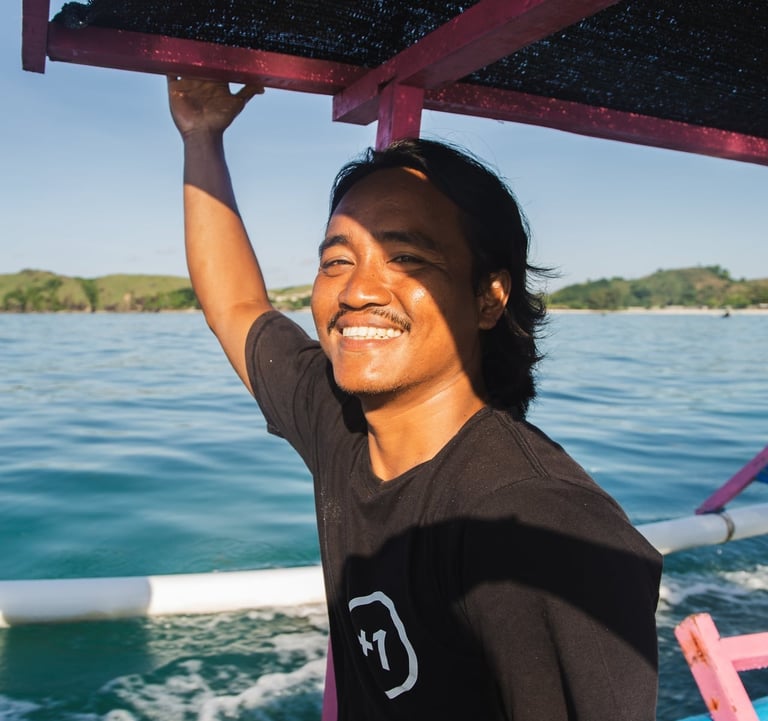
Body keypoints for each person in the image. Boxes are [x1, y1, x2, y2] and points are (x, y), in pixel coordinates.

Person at [167, 76, 662, 721]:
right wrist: (202, 135)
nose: (357, 292)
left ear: (489, 297)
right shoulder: (345, 427)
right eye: (337, 261)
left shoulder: (534, 524)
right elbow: (237, 307)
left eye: (406, 258)